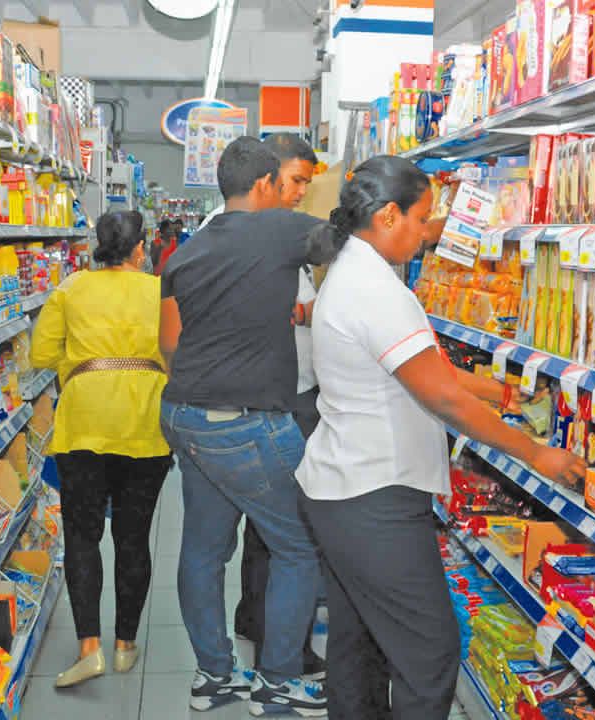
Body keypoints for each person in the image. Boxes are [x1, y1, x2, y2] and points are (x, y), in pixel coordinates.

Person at [296, 156, 588, 719]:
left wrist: (502, 393)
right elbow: (444, 397)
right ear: (388, 215)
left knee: (360, 645)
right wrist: (536, 453)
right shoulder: (374, 290)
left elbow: (423, 367)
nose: (429, 231)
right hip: (373, 499)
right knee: (430, 654)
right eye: (422, 217)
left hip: (343, 490)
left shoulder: (357, 273)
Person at [159, 137, 334, 716]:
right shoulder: (277, 229)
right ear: (265, 184)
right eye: (287, 184)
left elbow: (169, 342)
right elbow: (351, 237)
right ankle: (278, 681)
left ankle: (213, 676)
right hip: (245, 421)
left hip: (184, 414)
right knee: (299, 546)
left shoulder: (187, 251)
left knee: (204, 550)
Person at [196, 134, 324, 679]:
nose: (299, 193)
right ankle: (282, 658)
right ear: (266, 178)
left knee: (260, 531)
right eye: (294, 181)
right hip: (266, 401)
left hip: (281, 394)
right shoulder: (247, 234)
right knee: (289, 534)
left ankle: (256, 621)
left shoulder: (279, 231)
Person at [30, 210, 173, 688]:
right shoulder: (160, 291)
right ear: (140, 248)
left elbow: (40, 354)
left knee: (82, 534)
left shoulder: (71, 288)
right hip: (145, 423)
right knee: (133, 537)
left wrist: (79, 364)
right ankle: (125, 646)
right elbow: (177, 350)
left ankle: (88, 649)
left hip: (84, 422)